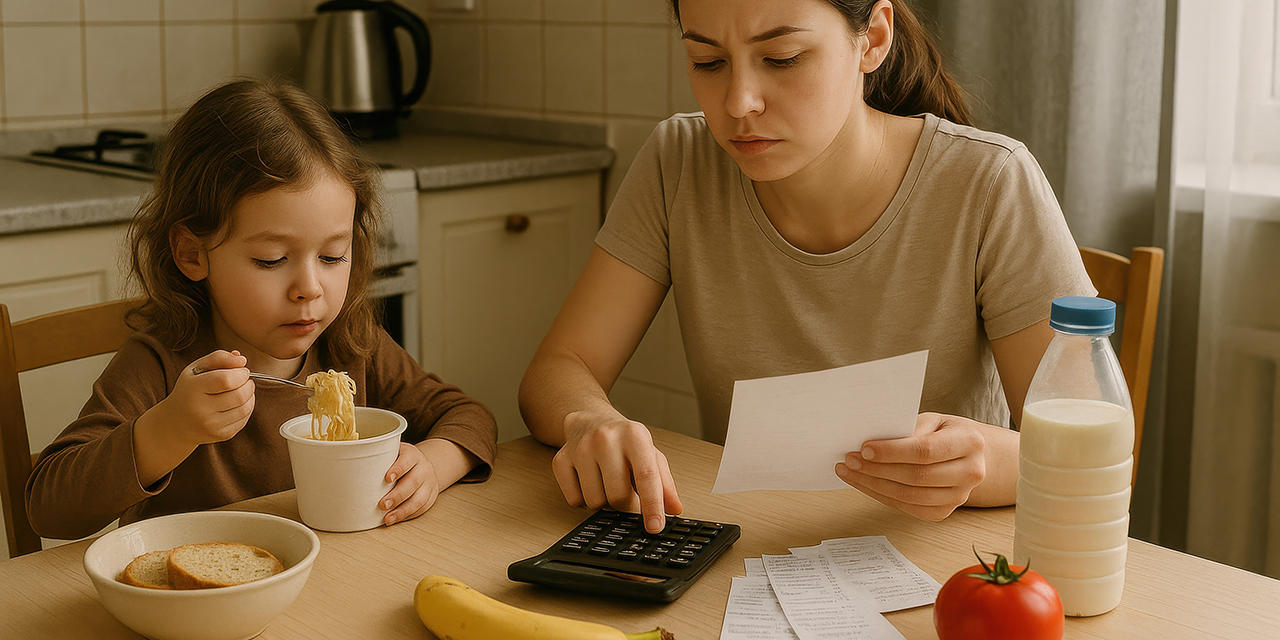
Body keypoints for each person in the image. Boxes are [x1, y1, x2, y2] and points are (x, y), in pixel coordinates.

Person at [518, 0, 1095, 534]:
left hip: (941, 563)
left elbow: (1092, 454)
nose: (739, 103)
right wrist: (589, 419)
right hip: (752, 549)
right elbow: (558, 369)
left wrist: (987, 458)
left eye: (782, 58)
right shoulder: (678, 161)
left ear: (872, 39)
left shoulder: (990, 182)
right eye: (708, 61)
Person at [25, 78, 497, 539]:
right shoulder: (162, 365)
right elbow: (49, 508)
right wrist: (167, 430)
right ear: (192, 254)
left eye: (333, 256)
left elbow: (468, 415)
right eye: (271, 260)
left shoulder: (352, 345)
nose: (310, 288)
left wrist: (435, 462)